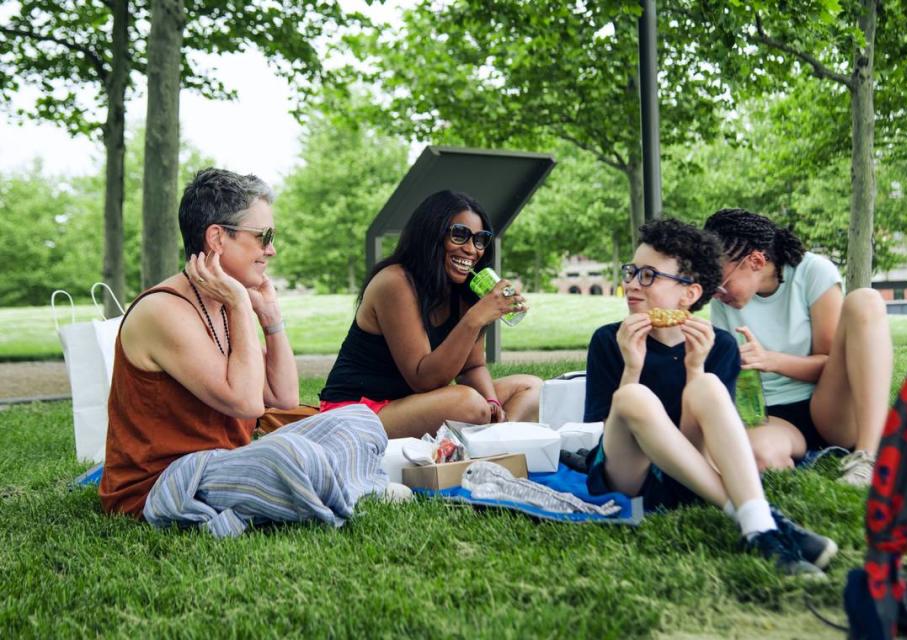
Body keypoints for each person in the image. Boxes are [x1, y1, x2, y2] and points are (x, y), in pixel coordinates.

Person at [99, 168, 391, 537]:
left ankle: (308, 490)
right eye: (263, 236)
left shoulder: (223, 300)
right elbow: (248, 404)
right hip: (163, 483)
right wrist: (240, 304)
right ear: (217, 238)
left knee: (359, 421)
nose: (271, 249)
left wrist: (270, 318)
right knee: (292, 458)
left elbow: (282, 397)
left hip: (229, 464)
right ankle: (346, 487)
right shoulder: (164, 311)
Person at [584, 219, 836, 576]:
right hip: (629, 476)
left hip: (691, 475)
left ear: (688, 294)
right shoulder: (608, 341)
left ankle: (758, 528)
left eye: (649, 276)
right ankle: (760, 518)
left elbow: (714, 436)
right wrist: (632, 366)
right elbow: (608, 428)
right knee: (634, 397)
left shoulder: (720, 344)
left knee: (708, 386)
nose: (631, 284)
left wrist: (695, 367)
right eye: (631, 271)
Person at [319, 190, 542, 438]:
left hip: (413, 404)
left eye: (480, 240)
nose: (471, 249)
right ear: (431, 235)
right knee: (469, 404)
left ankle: (495, 437)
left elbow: (472, 367)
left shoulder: (464, 291)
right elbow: (423, 380)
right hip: (358, 413)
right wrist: (475, 318)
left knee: (533, 388)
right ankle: (491, 439)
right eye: (460, 235)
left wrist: (493, 403)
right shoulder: (395, 282)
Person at [705, 208, 893, 487]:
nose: (717, 295)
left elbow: (831, 363)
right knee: (759, 457)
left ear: (756, 260)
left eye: (721, 284)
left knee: (865, 300)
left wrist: (771, 361)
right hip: (773, 417)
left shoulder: (813, 272)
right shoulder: (724, 303)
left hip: (829, 405)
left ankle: (869, 456)